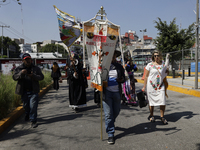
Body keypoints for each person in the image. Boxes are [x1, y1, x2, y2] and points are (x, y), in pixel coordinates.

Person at [12, 53, 44, 128]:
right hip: (24, 91)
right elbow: (14, 77)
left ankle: (33, 120)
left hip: (33, 91)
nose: (28, 61)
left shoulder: (36, 68)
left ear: (31, 59)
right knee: (26, 106)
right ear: (23, 60)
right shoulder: (19, 68)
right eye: (26, 60)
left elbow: (41, 77)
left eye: (29, 59)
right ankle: (27, 113)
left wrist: (33, 75)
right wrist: (21, 73)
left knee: (33, 106)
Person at [103, 50, 125, 144]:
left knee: (116, 111)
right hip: (106, 93)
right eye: (110, 56)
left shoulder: (119, 66)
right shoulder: (103, 67)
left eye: (114, 56)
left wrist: (121, 79)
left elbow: (124, 78)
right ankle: (110, 134)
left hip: (117, 93)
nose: (112, 58)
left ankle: (111, 122)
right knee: (108, 114)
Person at [142, 50, 169, 125]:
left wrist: (167, 71)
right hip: (151, 86)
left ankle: (162, 116)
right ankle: (151, 115)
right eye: (155, 56)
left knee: (162, 100)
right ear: (153, 57)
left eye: (158, 55)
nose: (156, 57)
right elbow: (146, 76)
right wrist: (144, 87)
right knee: (151, 101)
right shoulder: (149, 65)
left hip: (160, 85)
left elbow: (166, 73)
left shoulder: (164, 64)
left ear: (160, 56)